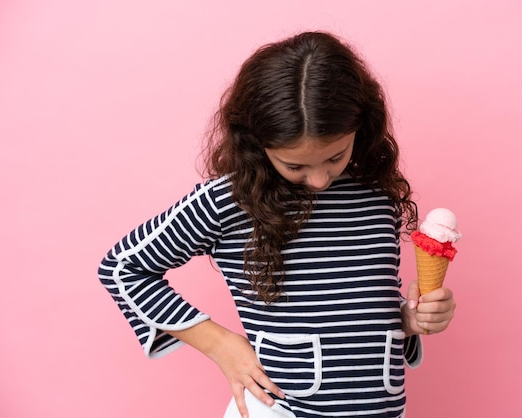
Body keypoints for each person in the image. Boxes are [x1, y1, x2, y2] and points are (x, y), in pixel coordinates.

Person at [98, 31, 456, 418]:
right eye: (295, 166)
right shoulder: (228, 200)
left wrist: (411, 317)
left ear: (362, 126)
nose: (319, 180)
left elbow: (355, 304)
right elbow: (121, 267)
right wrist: (219, 344)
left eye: (335, 156)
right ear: (257, 142)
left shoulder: (377, 197)